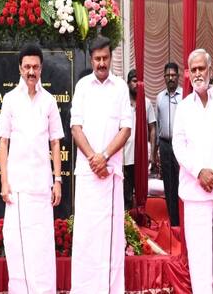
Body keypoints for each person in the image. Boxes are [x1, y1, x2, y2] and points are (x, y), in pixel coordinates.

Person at [0, 43, 63, 294]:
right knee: (16, 246)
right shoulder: (10, 99)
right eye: (27, 67)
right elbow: (3, 141)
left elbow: (55, 141)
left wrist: (57, 180)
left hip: (42, 187)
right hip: (17, 189)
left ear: (41, 68)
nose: (31, 71)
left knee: (42, 247)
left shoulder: (49, 101)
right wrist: (4, 181)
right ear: (20, 69)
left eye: (35, 66)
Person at [173, 49, 213, 294]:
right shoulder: (183, 108)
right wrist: (199, 171)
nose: (199, 73)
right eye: (194, 69)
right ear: (188, 74)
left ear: (210, 71)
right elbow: (178, 146)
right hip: (194, 191)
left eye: (203, 68)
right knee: (199, 254)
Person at [69, 36, 131, 293]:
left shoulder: (121, 88)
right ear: (91, 59)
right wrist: (93, 158)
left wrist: (104, 156)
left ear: (111, 57)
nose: (102, 63)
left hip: (111, 173)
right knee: (86, 237)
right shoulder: (82, 86)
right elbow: (75, 126)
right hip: (87, 173)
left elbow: (126, 128)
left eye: (105, 58)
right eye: (97, 59)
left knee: (112, 239)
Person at [124, 69, 157, 210]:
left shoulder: (146, 103)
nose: (137, 84)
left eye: (139, 81)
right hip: (125, 157)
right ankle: (126, 227)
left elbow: (153, 128)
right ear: (128, 83)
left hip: (141, 157)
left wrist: (153, 155)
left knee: (140, 196)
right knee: (125, 195)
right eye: (134, 81)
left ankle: (140, 226)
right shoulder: (122, 103)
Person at [155, 61, 183, 226]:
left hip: (180, 144)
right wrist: (157, 150)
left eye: (173, 75)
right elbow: (158, 124)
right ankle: (173, 220)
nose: (171, 78)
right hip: (165, 144)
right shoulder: (159, 98)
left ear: (178, 77)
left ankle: (182, 218)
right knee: (168, 182)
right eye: (168, 75)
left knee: (181, 181)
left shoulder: (186, 95)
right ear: (164, 77)